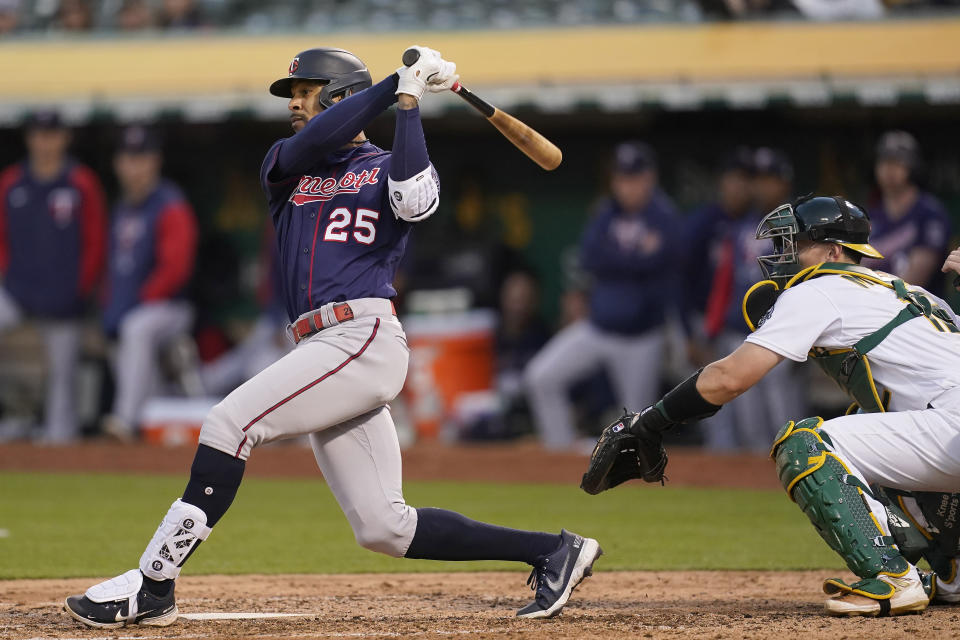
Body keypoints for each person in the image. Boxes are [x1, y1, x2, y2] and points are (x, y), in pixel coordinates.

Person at [65, 46, 601, 629]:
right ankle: (553, 550)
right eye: (293, 94)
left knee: (229, 423)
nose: (294, 102)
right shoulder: (287, 163)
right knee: (383, 527)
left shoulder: (390, 159)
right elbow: (311, 143)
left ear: (342, 94)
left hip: (361, 336)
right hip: (317, 345)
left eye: (306, 90)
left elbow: (415, 202)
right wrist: (400, 80)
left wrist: (409, 103)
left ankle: (152, 584)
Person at [582, 195, 960, 617]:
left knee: (805, 444)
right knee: (867, 425)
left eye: (797, 243)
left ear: (834, 252)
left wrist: (650, 422)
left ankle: (892, 577)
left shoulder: (820, 288)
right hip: (948, 430)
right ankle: (954, 571)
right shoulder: (903, 291)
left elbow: (729, 378)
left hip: (949, 427)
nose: (786, 255)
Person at [524, 141, 679, 450]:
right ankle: (561, 454)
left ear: (649, 178)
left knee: (637, 425)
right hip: (597, 328)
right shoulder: (607, 211)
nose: (626, 186)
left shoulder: (664, 215)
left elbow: (660, 264)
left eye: (633, 178)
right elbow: (591, 256)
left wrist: (619, 260)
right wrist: (636, 258)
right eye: (621, 178)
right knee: (541, 376)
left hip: (641, 338)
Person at [683, 148, 805, 452]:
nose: (762, 186)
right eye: (757, 179)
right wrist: (712, 330)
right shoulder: (740, 226)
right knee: (750, 427)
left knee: (786, 423)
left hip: (781, 336)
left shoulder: (801, 225)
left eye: (769, 179)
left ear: (784, 183)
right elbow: (724, 284)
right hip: (740, 334)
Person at [0, 110, 107, 443]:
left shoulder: (81, 181)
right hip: (16, 291)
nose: (45, 142)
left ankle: (60, 446)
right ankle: (13, 417)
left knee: (63, 380)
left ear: (64, 137)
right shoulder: (11, 181)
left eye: (52, 134)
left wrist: (80, 288)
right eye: (38, 134)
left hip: (64, 296)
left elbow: (95, 240)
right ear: (29, 138)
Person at [99, 126, 199, 441]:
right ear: (118, 163)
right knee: (124, 338)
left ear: (155, 161)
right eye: (128, 159)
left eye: (141, 158)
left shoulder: (169, 203)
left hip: (170, 308)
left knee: (135, 328)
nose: (134, 166)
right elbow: (111, 270)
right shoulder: (121, 207)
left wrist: (133, 303)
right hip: (133, 308)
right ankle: (146, 429)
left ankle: (124, 420)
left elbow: (175, 270)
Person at [864, 130, 951, 292]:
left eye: (897, 162)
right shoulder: (870, 214)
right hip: (877, 309)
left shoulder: (930, 213)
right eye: (884, 162)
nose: (889, 169)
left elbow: (915, 280)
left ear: (912, 167)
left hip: (922, 311)